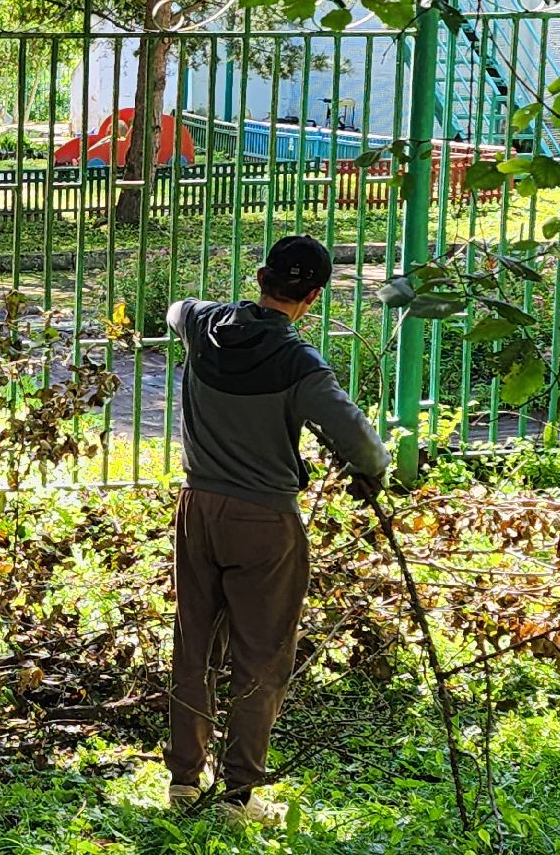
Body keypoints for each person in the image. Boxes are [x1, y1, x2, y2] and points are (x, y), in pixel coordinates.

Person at [163, 236, 389, 825]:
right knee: (261, 657)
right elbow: (364, 446)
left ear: (259, 275)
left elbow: (176, 309)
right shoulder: (301, 366)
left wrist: (207, 317)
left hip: (198, 508)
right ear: (313, 296)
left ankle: (184, 780)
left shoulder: (200, 324)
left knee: (195, 642)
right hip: (265, 523)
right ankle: (238, 795)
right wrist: (370, 473)